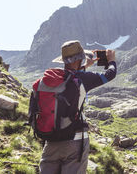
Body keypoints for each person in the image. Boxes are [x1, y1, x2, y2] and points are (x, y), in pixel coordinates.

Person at [35, 40, 116, 174]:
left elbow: (71, 77)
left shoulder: (49, 79)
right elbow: (110, 74)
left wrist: (82, 67)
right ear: (80, 60)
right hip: (75, 141)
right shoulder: (82, 78)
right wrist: (111, 60)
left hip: (50, 140)